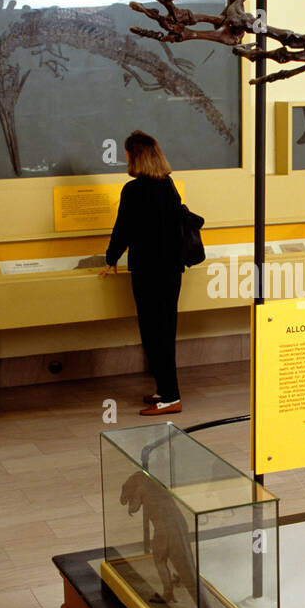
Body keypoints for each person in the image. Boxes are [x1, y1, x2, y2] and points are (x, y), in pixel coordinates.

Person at [99, 130, 186, 416]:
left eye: (126, 152)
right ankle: (164, 390)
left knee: (153, 333)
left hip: (149, 272)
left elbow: (123, 228)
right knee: (164, 330)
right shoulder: (168, 185)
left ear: (135, 156)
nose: (124, 156)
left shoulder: (134, 190)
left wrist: (111, 258)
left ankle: (171, 397)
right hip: (171, 270)